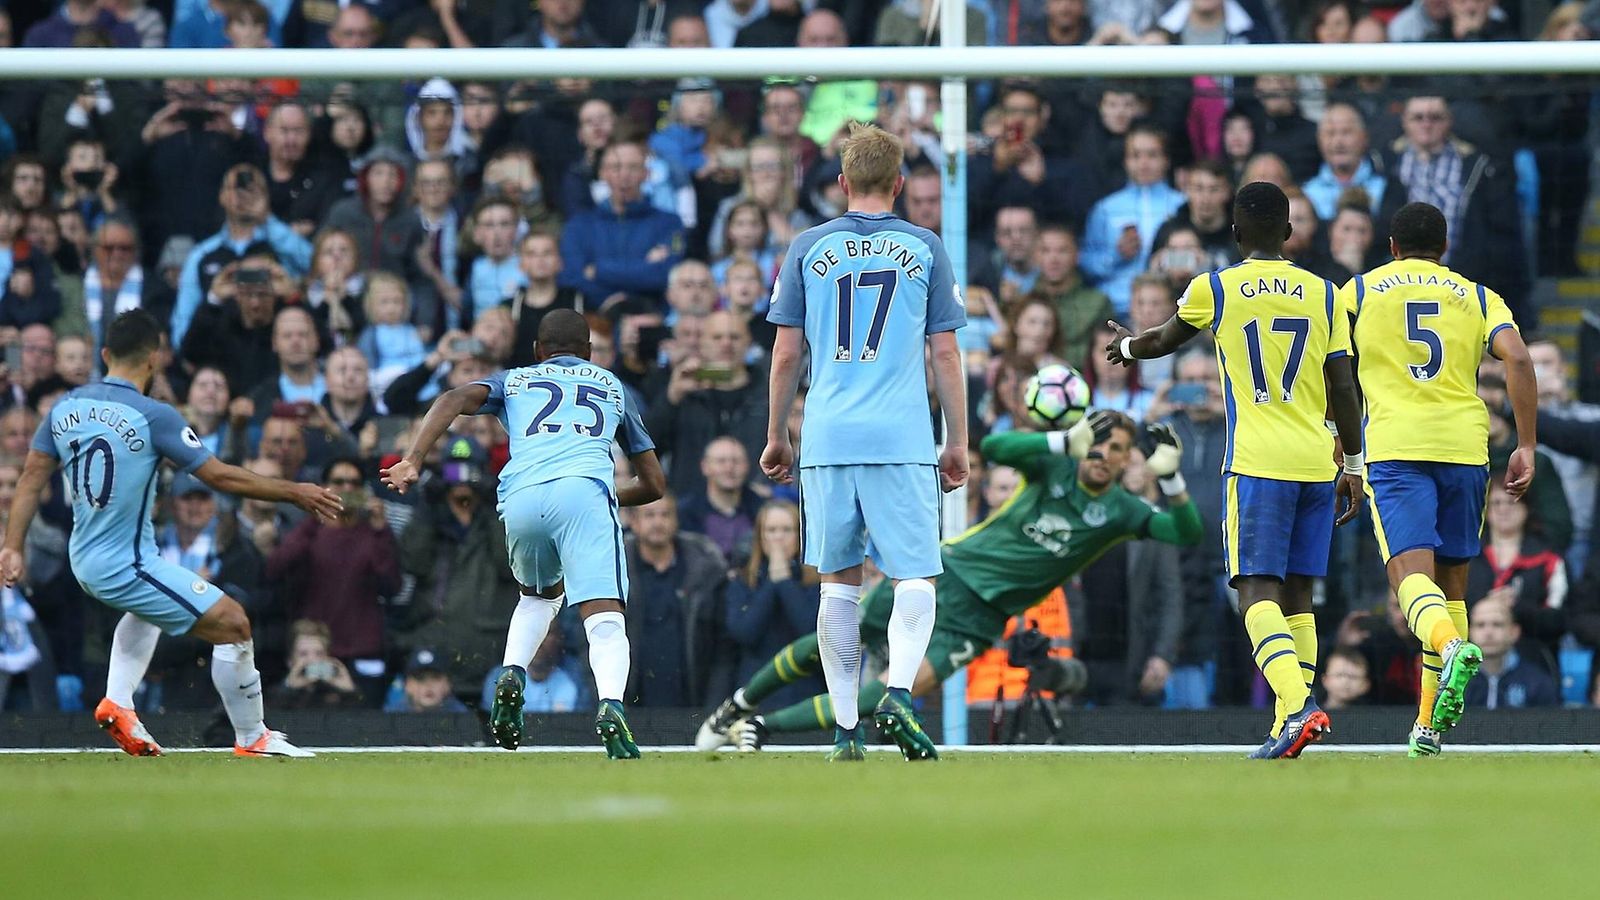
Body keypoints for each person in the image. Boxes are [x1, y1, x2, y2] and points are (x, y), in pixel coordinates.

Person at [698, 413, 1202, 748]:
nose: (1101, 455)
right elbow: (999, 446)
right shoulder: (1054, 468)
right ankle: (738, 704)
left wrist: (1174, 480)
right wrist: (1060, 440)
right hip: (947, 572)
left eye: (1115, 449)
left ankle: (760, 728)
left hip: (979, 620)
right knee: (841, 640)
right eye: (1097, 444)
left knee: (898, 688)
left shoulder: (1121, 511)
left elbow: (1185, 532)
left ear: (1126, 460)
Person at [0, 309, 343, 757]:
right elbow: (219, 477)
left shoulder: (65, 407)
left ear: (105, 354)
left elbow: (29, 478)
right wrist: (293, 491)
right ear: (155, 359)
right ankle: (252, 737)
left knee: (146, 613)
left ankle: (118, 703)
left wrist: (12, 545)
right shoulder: (153, 415)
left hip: (85, 556)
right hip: (127, 564)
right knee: (234, 623)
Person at [1105, 181, 1367, 759]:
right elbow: (1343, 386)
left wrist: (1126, 350)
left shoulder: (1217, 287)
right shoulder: (1327, 294)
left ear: (1235, 233)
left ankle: (1298, 706)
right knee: (1298, 596)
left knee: (1254, 594)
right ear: (1291, 233)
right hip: (1315, 462)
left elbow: (1163, 342)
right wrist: (1352, 462)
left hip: (1256, 463)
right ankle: (1285, 724)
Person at [763, 122, 968, 762]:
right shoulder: (925, 246)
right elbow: (947, 355)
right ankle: (900, 694)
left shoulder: (805, 247)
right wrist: (957, 440)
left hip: (826, 435)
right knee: (914, 576)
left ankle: (846, 729)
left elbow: (786, 353)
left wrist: (776, 434)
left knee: (838, 584)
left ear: (843, 183)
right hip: (901, 436)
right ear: (900, 185)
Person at [381, 309, 666, 759]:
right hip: (586, 491)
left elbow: (452, 398)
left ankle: (512, 671)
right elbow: (654, 484)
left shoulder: (514, 380)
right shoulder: (612, 386)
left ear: (538, 351)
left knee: (538, 597)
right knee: (605, 618)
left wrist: (414, 458)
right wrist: (599, 499)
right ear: (590, 353)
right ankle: (611, 706)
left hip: (520, 495)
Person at [1337, 201, 1536, 756]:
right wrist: (1525, 443)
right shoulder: (1474, 294)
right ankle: (1427, 727)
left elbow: (1331, 362)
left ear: (1392, 247)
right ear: (1444, 249)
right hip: (1466, 450)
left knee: (1409, 580)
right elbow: (1517, 358)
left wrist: (1335, 436)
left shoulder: (1362, 290)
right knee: (1452, 588)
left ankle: (1452, 649)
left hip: (1397, 449)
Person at [1461, 598, 1560, 709]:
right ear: (1469, 632)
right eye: (1480, 625)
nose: (1488, 633)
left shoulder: (1538, 683)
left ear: (1514, 632)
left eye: (1497, 624)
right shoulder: (1456, 681)